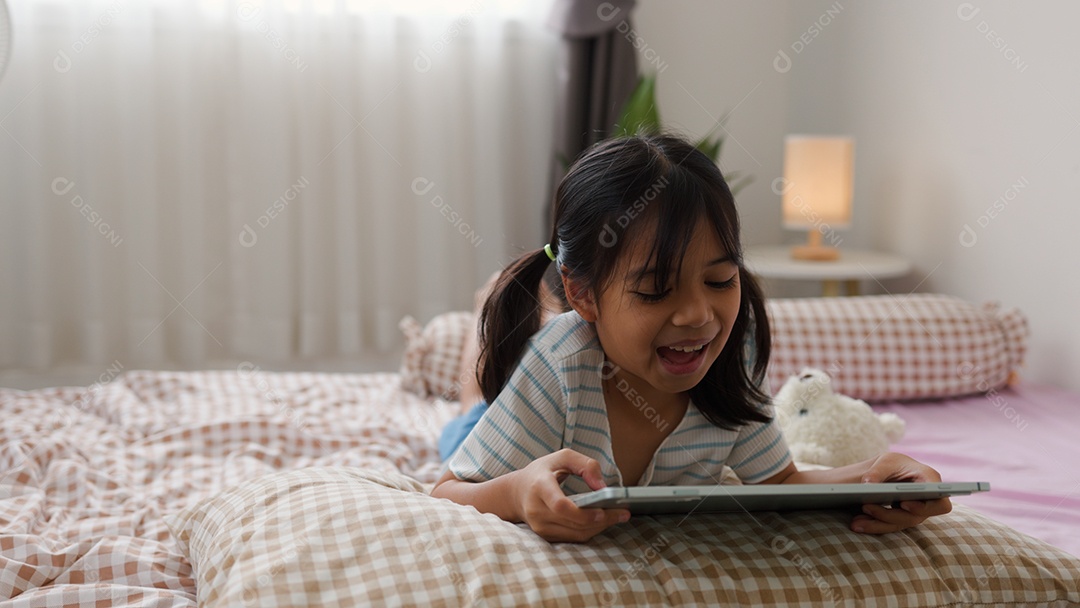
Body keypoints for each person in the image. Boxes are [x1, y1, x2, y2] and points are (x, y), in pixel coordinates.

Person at [431, 134, 951, 543]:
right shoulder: (556, 365)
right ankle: (483, 326)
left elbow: (779, 483)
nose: (699, 315)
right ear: (583, 295)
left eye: (721, 281)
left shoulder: (728, 357)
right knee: (470, 413)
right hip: (514, 426)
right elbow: (449, 490)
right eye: (657, 290)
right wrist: (519, 492)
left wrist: (874, 476)